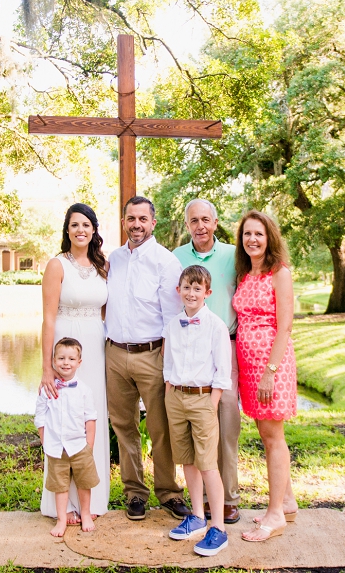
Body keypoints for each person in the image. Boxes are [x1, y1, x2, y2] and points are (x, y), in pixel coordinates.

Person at [105, 196, 191, 521]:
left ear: (153, 222)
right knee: (124, 426)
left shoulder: (165, 262)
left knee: (160, 427)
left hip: (152, 354)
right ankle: (135, 493)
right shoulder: (113, 259)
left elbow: (173, 319)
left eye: (143, 218)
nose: (136, 224)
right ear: (124, 221)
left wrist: (170, 366)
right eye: (131, 218)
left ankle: (169, 493)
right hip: (114, 354)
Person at [173, 198, 241, 525]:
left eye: (205, 220)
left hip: (225, 345)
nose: (200, 226)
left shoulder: (232, 254)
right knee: (192, 433)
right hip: (188, 353)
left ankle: (227, 499)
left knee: (225, 423)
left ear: (215, 222)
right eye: (193, 221)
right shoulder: (177, 257)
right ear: (187, 225)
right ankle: (198, 506)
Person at [39, 203, 109, 522]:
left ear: (94, 230)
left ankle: (91, 502)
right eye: (74, 225)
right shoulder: (57, 265)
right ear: (67, 230)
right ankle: (63, 504)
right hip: (64, 344)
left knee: (90, 416)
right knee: (62, 419)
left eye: (86, 225)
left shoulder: (102, 265)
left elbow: (107, 312)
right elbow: (48, 319)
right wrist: (46, 367)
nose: (80, 230)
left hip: (95, 346)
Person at [232, 210, 298, 543]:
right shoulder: (246, 273)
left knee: (274, 437)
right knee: (265, 433)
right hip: (249, 365)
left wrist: (270, 372)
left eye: (258, 234)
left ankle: (274, 517)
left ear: (269, 236)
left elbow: (285, 326)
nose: (252, 240)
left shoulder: (279, 272)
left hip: (271, 364)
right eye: (247, 234)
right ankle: (286, 501)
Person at [163, 265, 232, 556]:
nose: (191, 293)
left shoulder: (216, 325)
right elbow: (168, 361)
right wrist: (169, 391)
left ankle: (219, 528)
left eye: (197, 288)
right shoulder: (172, 323)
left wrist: (212, 402)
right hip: (175, 397)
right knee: (187, 460)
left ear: (207, 292)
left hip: (204, 398)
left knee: (207, 463)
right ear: (179, 291)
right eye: (186, 288)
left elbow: (223, 370)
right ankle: (197, 517)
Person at [34, 338, 99, 537]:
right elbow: (40, 417)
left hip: (79, 446)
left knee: (84, 482)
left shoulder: (84, 391)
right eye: (61, 358)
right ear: (53, 360)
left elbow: (90, 419)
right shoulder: (47, 389)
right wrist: (46, 442)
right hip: (55, 448)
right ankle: (61, 518)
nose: (66, 362)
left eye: (71, 358)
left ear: (79, 362)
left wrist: (89, 445)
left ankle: (85, 514)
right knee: (59, 485)